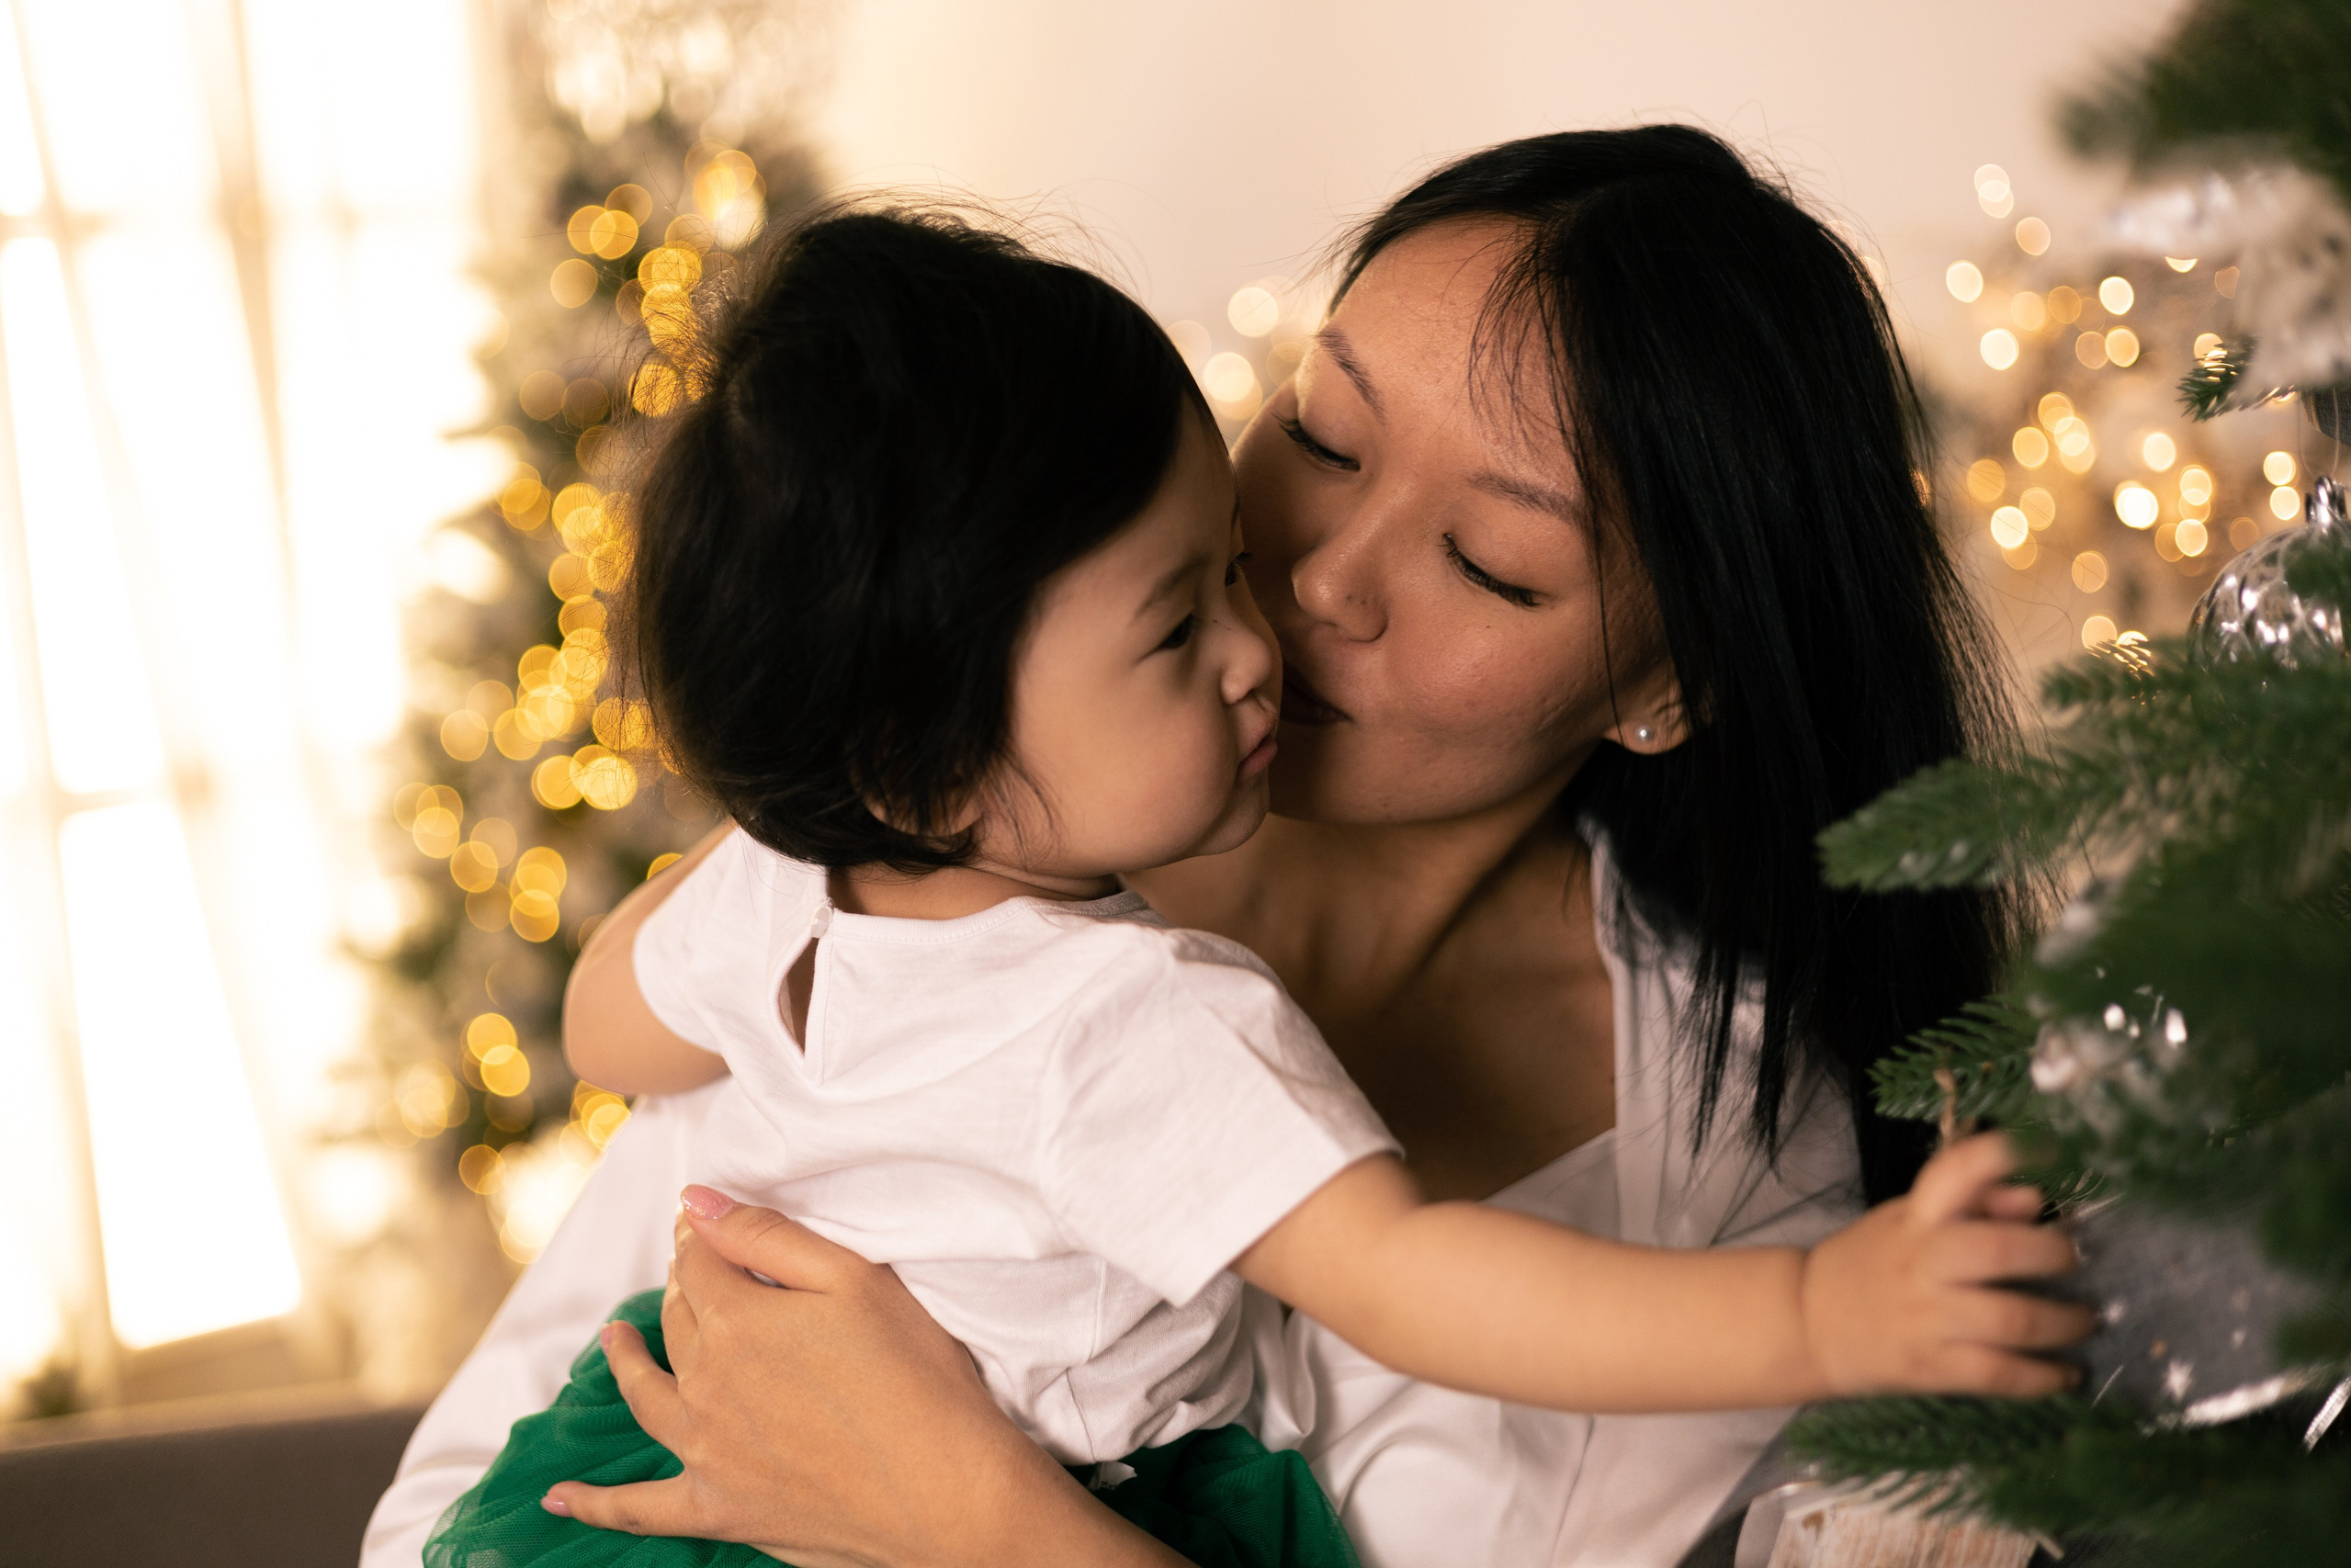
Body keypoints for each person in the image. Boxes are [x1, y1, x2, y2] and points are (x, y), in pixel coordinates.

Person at [367, 127, 2064, 1568]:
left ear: (1668, 681)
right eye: (1322, 434)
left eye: (1490, 561)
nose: (1320, 578)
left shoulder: (1722, 1159)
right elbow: (453, 1494)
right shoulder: (946, 858)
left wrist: (982, 1523)